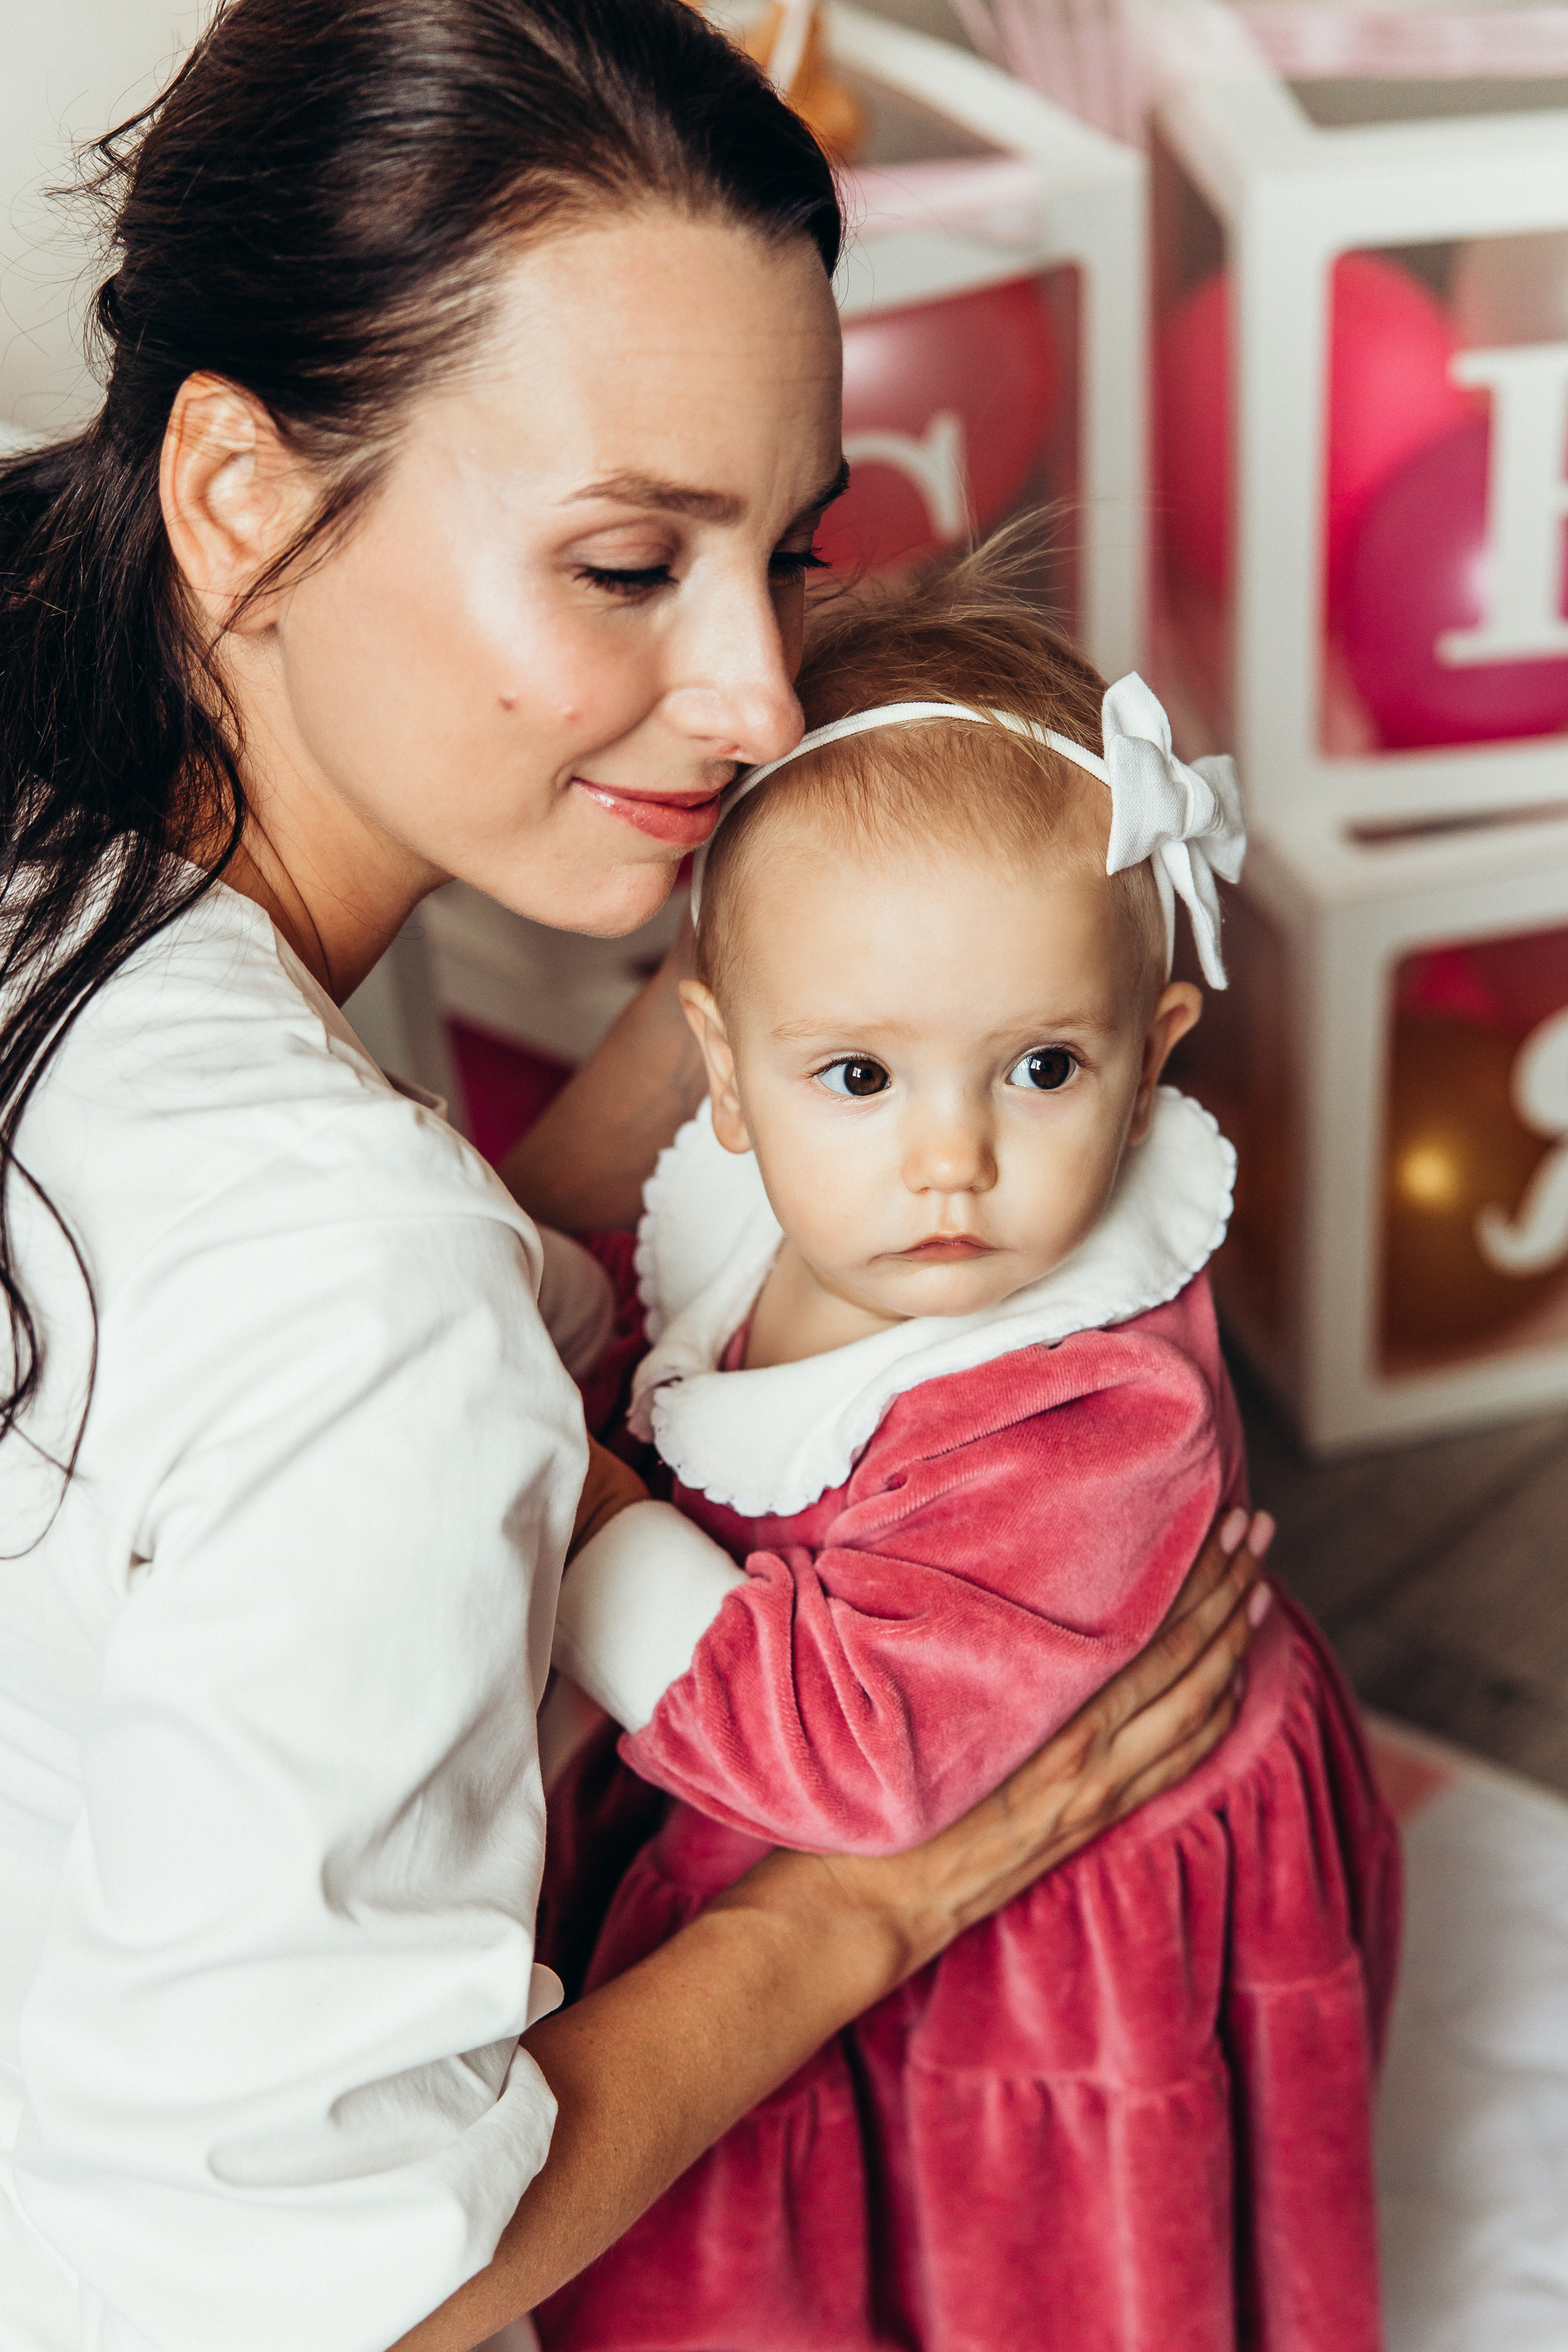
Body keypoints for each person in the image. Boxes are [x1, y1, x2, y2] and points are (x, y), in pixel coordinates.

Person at [0, 6, 1271, 2350]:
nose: (765, 694)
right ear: (238, 490)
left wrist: (813, 986)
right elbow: (329, 2298)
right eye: (622, 563)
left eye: (787, 553)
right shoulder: (356, 1298)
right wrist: (871, 1906)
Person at [535, 555, 1399, 2352]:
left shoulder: (1092, 1405)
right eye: (859, 1076)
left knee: (1035, 2256)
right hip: (785, 1785)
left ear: (1150, 1061)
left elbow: (863, 1760)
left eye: (1042, 1068)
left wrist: (587, 1505)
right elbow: (659, 1359)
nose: (953, 1161)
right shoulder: (738, 1208)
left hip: (1055, 1916)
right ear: (726, 1070)